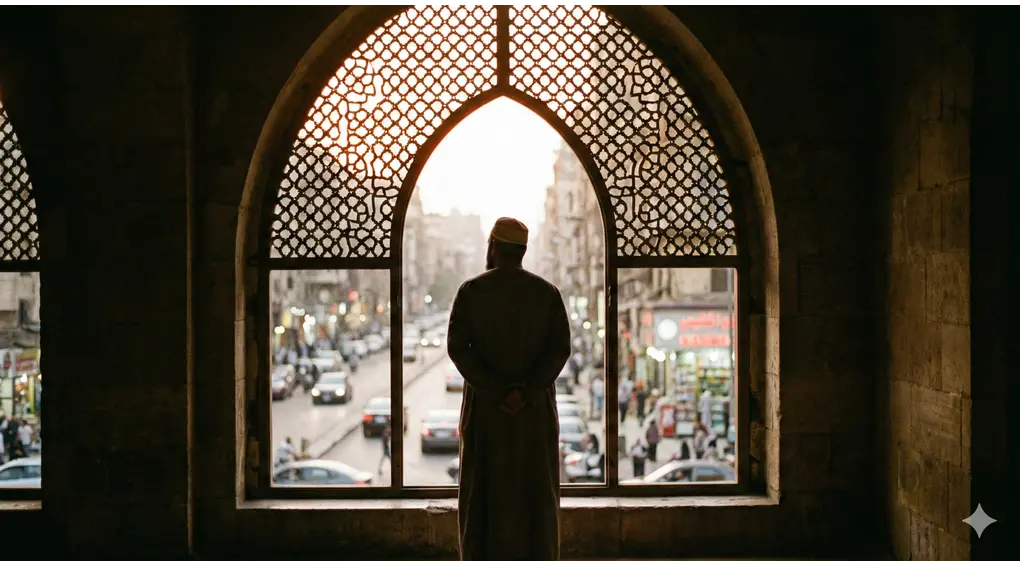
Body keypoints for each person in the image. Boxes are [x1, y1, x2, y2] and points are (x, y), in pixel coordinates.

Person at [447, 217, 571, 564]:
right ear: (523, 251)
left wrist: (498, 391)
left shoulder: (471, 291)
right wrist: (527, 392)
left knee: (483, 494)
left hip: (486, 412)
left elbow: (458, 348)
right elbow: (559, 349)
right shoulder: (546, 293)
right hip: (534, 414)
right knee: (535, 494)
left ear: (493, 247)